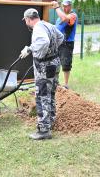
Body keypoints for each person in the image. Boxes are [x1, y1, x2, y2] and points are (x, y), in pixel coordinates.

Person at [20, 8, 64, 140]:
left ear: (28, 19)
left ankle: (44, 130)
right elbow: (60, 37)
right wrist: (52, 51)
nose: (26, 23)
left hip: (45, 67)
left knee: (42, 96)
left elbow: (44, 42)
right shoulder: (48, 25)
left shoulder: (38, 29)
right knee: (50, 93)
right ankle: (51, 120)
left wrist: (30, 48)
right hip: (55, 64)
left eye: (26, 21)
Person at [51, 0, 77, 89]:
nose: (65, 8)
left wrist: (56, 7)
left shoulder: (73, 16)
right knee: (55, 62)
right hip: (58, 43)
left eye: (67, 6)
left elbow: (65, 19)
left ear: (70, 6)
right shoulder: (60, 17)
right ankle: (55, 82)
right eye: (64, 6)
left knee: (66, 64)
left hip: (67, 43)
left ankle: (66, 84)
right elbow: (57, 27)